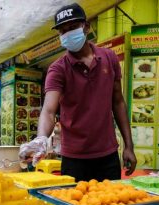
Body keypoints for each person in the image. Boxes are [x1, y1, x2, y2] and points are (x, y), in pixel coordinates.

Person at [19, 3, 136, 182]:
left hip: (108, 154)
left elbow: (118, 101)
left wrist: (129, 146)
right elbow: (49, 110)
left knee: (112, 203)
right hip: (74, 159)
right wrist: (42, 137)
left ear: (86, 27)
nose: (67, 34)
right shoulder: (57, 69)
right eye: (62, 31)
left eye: (73, 27)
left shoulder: (109, 58)